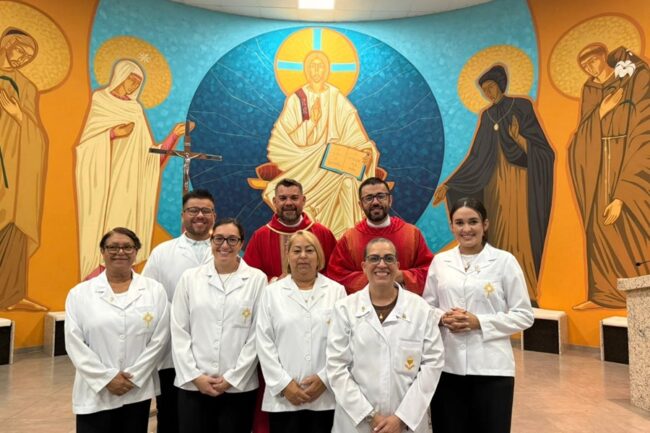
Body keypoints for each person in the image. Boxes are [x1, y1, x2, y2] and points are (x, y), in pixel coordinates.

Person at [432, 64, 555, 306]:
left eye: (490, 87)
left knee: (520, 231)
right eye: (484, 90)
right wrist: (450, 184)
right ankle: (496, 291)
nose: (488, 93)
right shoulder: (487, 116)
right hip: (494, 185)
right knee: (496, 231)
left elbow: (543, 150)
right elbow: (476, 156)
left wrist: (519, 139)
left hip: (520, 183)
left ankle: (526, 290)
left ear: (500, 85)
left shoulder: (521, 106)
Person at [423, 198, 533, 433]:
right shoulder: (440, 262)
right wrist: (442, 318)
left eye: (473, 222)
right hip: (447, 367)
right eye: (459, 223)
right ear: (451, 227)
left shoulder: (504, 261)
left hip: (492, 368)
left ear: (485, 224)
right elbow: (427, 307)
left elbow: (524, 314)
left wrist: (479, 322)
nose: (466, 229)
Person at [75, 59, 191, 280]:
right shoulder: (101, 100)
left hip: (129, 188)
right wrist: (112, 134)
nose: (135, 85)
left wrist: (173, 136)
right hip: (105, 185)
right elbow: (86, 147)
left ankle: (125, 283)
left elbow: (149, 158)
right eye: (132, 79)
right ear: (120, 75)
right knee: (103, 232)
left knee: (126, 233)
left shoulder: (135, 109)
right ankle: (96, 282)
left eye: (138, 82)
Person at [327, 237, 444, 433]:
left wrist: (402, 418)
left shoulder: (420, 309)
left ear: (397, 266)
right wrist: (369, 416)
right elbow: (336, 368)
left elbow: (432, 364)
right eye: (374, 258)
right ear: (364, 266)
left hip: (407, 424)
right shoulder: (344, 309)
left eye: (388, 258)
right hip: (357, 423)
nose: (382, 264)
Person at [263, 50, 379, 239]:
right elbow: (287, 138)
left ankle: (348, 238)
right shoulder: (297, 99)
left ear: (327, 70)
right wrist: (312, 122)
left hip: (336, 161)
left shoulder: (336, 96)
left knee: (349, 181)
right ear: (306, 70)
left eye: (321, 66)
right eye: (313, 66)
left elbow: (352, 130)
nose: (317, 71)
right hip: (304, 160)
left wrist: (365, 150)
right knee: (327, 152)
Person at [65, 227, 170, 433]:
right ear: (102, 251)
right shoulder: (80, 294)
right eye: (113, 247)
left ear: (136, 251)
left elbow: (160, 339)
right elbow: (74, 342)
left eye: (127, 247)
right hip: (95, 391)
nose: (120, 252)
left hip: (135, 389)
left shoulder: (154, 290)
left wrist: (134, 376)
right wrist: (106, 379)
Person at [569, 45, 650, 309]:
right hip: (597, 169)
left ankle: (640, 294)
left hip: (625, 161)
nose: (590, 68)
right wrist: (601, 111)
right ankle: (603, 294)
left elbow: (642, 130)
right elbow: (581, 136)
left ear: (604, 57)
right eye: (585, 66)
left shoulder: (630, 79)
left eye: (592, 61)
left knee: (629, 224)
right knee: (598, 227)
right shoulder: (590, 90)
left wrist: (623, 193)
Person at [171, 218, 267, 433]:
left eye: (232, 239)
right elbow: (179, 330)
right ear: (211, 241)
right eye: (219, 239)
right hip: (194, 384)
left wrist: (232, 378)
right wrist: (195, 376)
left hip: (238, 386)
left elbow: (257, 334)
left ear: (241, 243)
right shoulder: (190, 278)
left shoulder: (256, 279)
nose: (225, 245)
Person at [142, 189, 216, 433]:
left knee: (210, 419)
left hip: (216, 352)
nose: (200, 215)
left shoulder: (226, 251)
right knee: (171, 417)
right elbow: (148, 298)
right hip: (172, 351)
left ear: (214, 216)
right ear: (183, 214)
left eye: (206, 211)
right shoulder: (162, 253)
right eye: (193, 210)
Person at [256, 230, 346, 433]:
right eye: (296, 251)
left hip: (325, 396)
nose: (303, 256)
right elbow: (264, 343)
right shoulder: (271, 293)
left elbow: (344, 342)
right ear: (288, 256)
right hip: (284, 398)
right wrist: (284, 384)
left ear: (319, 256)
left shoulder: (336, 291)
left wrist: (324, 379)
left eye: (309, 250)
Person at [0, 28, 48, 311]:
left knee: (16, 221)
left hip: (14, 167)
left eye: (28, 56)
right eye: (20, 50)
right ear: (8, 43)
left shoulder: (26, 86)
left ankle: (11, 294)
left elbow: (37, 136)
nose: (22, 58)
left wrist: (18, 116)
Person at [327, 177, 433, 295]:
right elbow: (336, 275)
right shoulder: (350, 238)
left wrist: (402, 276)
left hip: (405, 303)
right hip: (363, 304)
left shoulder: (411, 234)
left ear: (390, 200)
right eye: (369, 198)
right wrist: (372, 277)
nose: (375, 202)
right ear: (360, 204)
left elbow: (430, 271)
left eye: (381, 196)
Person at [245, 178, 337, 281]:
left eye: (294, 198)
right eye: (283, 198)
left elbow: (335, 271)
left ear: (303, 200)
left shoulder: (322, 233)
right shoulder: (260, 236)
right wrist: (275, 282)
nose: (288, 203)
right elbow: (249, 276)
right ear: (275, 201)